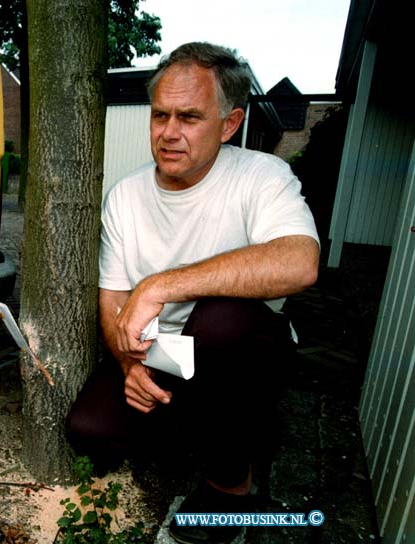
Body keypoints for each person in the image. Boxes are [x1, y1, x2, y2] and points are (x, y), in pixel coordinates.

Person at [66, 42, 320, 544]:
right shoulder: (126, 196)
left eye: (189, 117)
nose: (168, 133)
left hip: (238, 348)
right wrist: (129, 368)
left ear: (228, 124)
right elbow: (114, 300)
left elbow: (300, 262)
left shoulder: (262, 176)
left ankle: (230, 486)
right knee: (89, 429)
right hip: (164, 353)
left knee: (223, 319)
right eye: (160, 115)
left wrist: (162, 285)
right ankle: (209, 429)